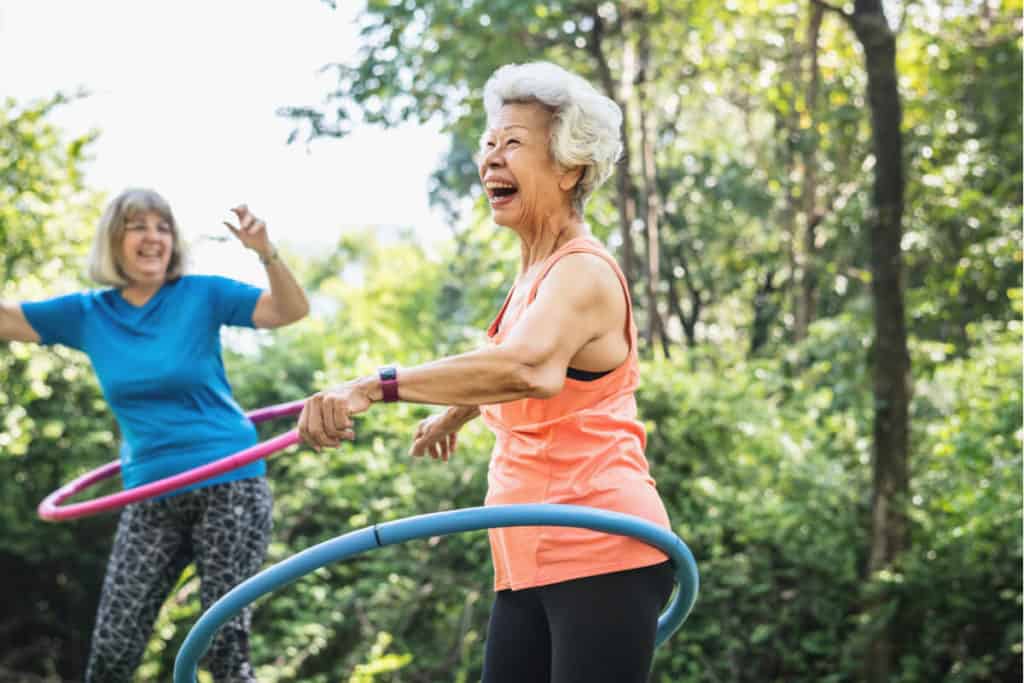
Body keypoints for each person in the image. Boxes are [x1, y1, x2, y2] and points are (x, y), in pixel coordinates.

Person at [297, 61, 674, 683]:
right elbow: (513, 360)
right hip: (524, 554)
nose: (491, 159)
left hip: (599, 547)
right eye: (489, 144)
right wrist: (457, 410)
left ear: (570, 167)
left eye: (514, 144)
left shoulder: (582, 271)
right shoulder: (534, 277)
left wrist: (372, 387)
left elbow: (527, 367)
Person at [0, 188, 310, 682]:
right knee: (112, 650)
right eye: (138, 226)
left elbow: (289, 311)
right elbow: (5, 318)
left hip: (229, 485)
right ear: (114, 240)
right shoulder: (88, 314)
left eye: (162, 227)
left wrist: (264, 250)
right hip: (151, 497)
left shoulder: (201, 294)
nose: (152, 238)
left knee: (225, 651)